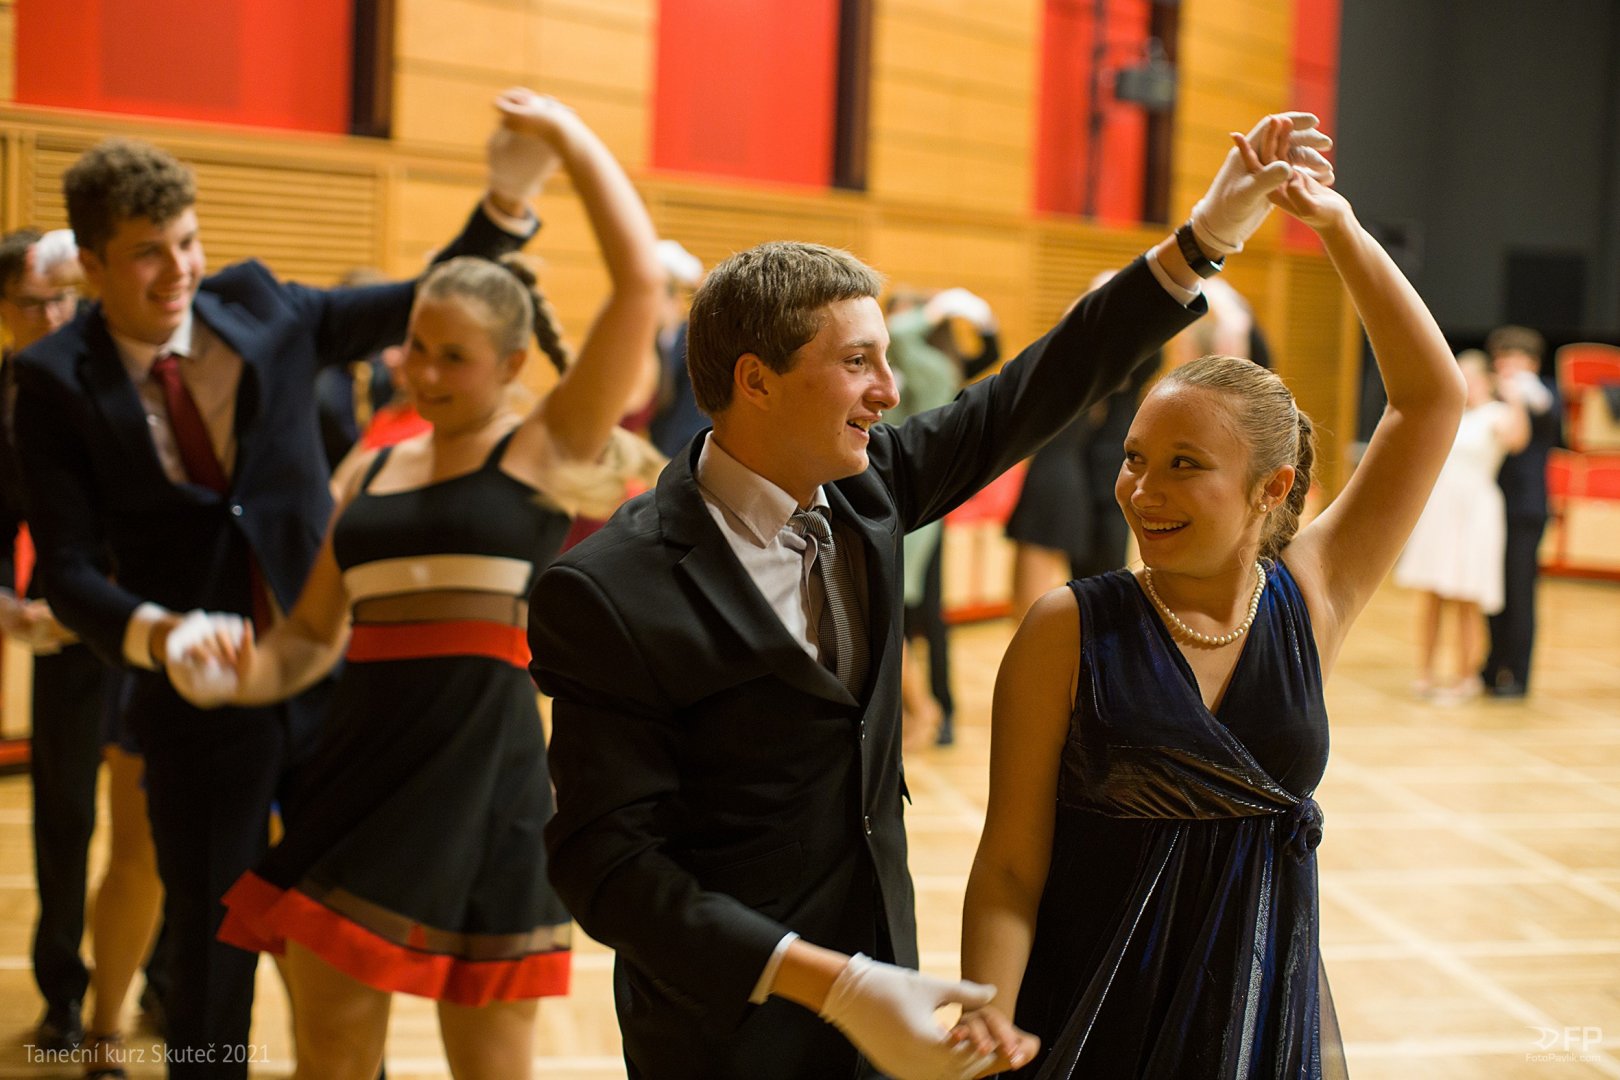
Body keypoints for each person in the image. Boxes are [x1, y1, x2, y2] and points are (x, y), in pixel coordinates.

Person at [529, 113, 1335, 1080]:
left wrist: (1204, 239)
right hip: (724, 1032)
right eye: (856, 362)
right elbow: (607, 868)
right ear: (757, 381)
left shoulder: (868, 491)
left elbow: (1032, 389)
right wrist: (828, 983)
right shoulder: (608, 588)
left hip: (893, 999)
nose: (887, 389)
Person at [11, 116, 544, 1076]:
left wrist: (505, 204)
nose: (178, 270)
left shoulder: (261, 305)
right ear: (90, 265)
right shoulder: (53, 380)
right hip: (198, 701)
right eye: (146, 253)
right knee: (210, 946)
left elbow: (421, 300)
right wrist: (158, 635)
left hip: (337, 688)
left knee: (347, 942)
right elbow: (70, 568)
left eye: (186, 241)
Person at [166, 90, 662, 1080]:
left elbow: (639, 282)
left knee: (491, 1067)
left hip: (489, 798)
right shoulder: (371, 469)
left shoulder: (542, 450)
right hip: (355, 790)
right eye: (415, 349)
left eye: (453, 358)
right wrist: (233, 675)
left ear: (512, 363)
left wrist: (567, 140)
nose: (423, 373)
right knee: (330, 1054)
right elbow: (310, 640)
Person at [953, 128, 1465, 1078]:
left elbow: (1430, 403)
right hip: (1091, 1013)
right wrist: (989, 1017)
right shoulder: (1070, 627)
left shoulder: (1313, 595)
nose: (1142, 492)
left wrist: (1340, 229)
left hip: (1256, 1016)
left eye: (1185, 466)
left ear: (1273, 488)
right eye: (1135, 459)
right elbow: (1011, 866)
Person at [0, 228, 168, 1067]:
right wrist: (8, 604)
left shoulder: (126, 372)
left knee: (162, 819)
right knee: (64, 818)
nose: (53, 316)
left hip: (140, 625)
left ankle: (163, 979)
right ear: (5, 309)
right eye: (34, 304)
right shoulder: (7, 393)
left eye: (64, 299)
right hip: (61, 633)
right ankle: (64, 996)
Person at [1394, 350, 1529, 702]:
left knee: (1467, 598)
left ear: (1484, 380)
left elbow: (1516, 440)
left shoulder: (1496, 414)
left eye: (1469, 376)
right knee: (1432, 595)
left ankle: (1465, 676)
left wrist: (1514, 397)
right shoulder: (1452, 415)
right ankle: (1425, 673)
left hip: (1475, 510)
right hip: (1442, 507)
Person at [1480, 324, 1560, 697]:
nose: (1504, 366)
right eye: (1501, 359)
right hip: (1491, 506)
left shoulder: (1543, 392)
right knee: (1491, 592)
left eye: (1513, 358)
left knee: (1519, 593)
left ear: (1532, 362)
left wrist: (1516, 389)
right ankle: (1492, 665)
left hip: (1525, 510)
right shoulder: (1495, 396)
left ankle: (1518, 675)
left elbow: (1542, 404)